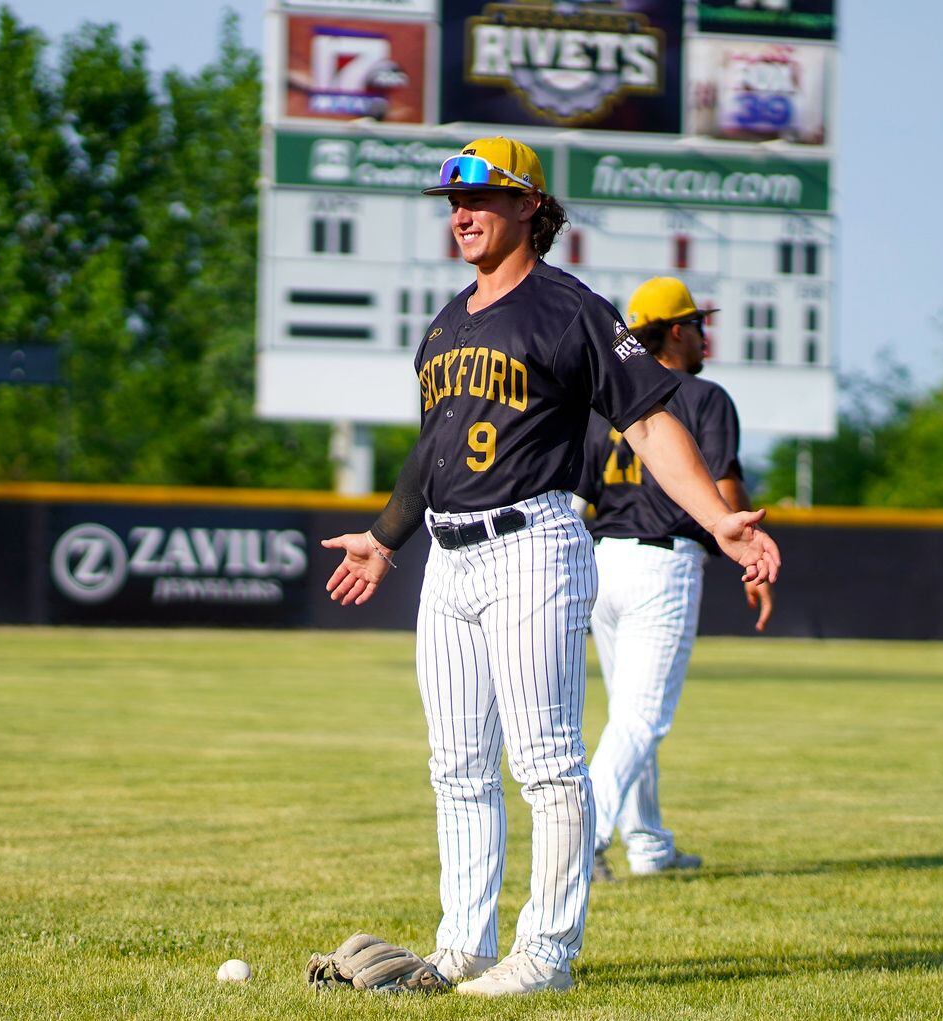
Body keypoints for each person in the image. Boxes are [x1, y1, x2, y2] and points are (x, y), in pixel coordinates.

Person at [320, 138, 781, 997]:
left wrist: (718, 517)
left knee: (545, 761)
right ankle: (461, 943)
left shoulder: (572, 309)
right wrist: (384, 539)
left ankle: (547, 951)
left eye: (482, 198)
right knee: (455, 764)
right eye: (452, 201)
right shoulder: (446, 322)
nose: (460, 213)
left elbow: (648, 421)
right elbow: (433, 448)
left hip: (534, 543)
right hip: (447, 556)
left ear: (529, 204)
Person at [576, 277, 774, 884]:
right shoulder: (705, 397)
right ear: (679, 331)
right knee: (642, 717)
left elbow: (579, 494)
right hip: (662, 564)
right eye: (699, 324)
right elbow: (725, 485)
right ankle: (582, 838)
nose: (705, 335)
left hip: (601, 560)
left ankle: (649, 844)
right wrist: (747, 553)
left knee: (627, 715)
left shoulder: (603, 400)